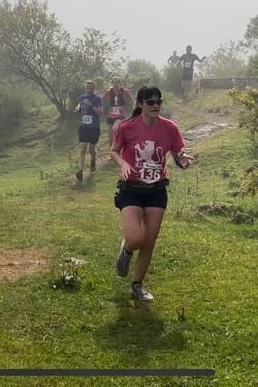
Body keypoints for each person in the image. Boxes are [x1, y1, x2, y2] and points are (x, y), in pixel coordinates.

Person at [110, 86, 195, 301]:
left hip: (156, 189)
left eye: (159, 101)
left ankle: (137, 285)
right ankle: (127, 249)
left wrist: (181, 160)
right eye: (150, 102)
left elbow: (177, 152)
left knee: (149, 240)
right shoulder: (127, 127)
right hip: (131, 189)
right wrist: (123, 163)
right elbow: (114, 151)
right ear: (140, 104)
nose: (156, 105)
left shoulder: (170, 128)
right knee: (136, 238)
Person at [74, 80, 102, 182]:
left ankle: (93, 161)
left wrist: (90, 105)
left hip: (94, 128)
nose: (89, 90)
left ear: (94, 89)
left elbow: (101, 112)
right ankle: (80, 172)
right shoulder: (82, 97)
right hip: (83, 127)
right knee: (82, 149)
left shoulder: (97, 98)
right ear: (85, 88)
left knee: (91, 150)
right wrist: (77, 109)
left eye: (91, 88)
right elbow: (79, 106)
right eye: (87, 88)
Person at [101, 76, 133, 145]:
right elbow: (101, 100)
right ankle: (111, 152)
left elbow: (131, 100)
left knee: (115, 128)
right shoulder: (109, 91)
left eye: (117, 83)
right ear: (112, 83)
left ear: (120, 83)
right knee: (110, 135)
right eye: (114, 83)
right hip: (111, 115)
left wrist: (132, 109)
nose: (116, 85)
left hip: (120, 115)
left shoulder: (124, 91)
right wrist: (101, 108)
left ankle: (119, 146)